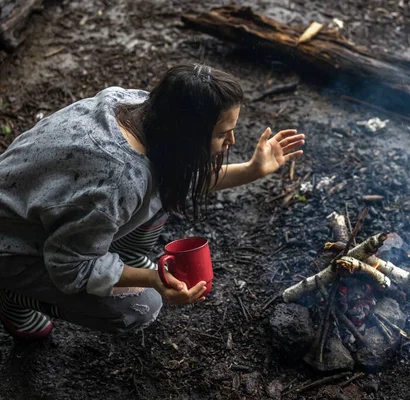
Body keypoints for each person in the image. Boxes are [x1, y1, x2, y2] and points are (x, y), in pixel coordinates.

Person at [0, 64, 305, 339]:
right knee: (140, 307)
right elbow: (70, 266)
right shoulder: (119, 179)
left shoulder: (135, 104)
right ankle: (12, 296)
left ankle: (122, 260)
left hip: (41, 212)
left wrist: (252, 170)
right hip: (13, 248)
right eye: (223, 133)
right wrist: (154, 279)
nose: (233, 141)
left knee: (165, 191)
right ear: (188, 135)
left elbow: (179, 176)